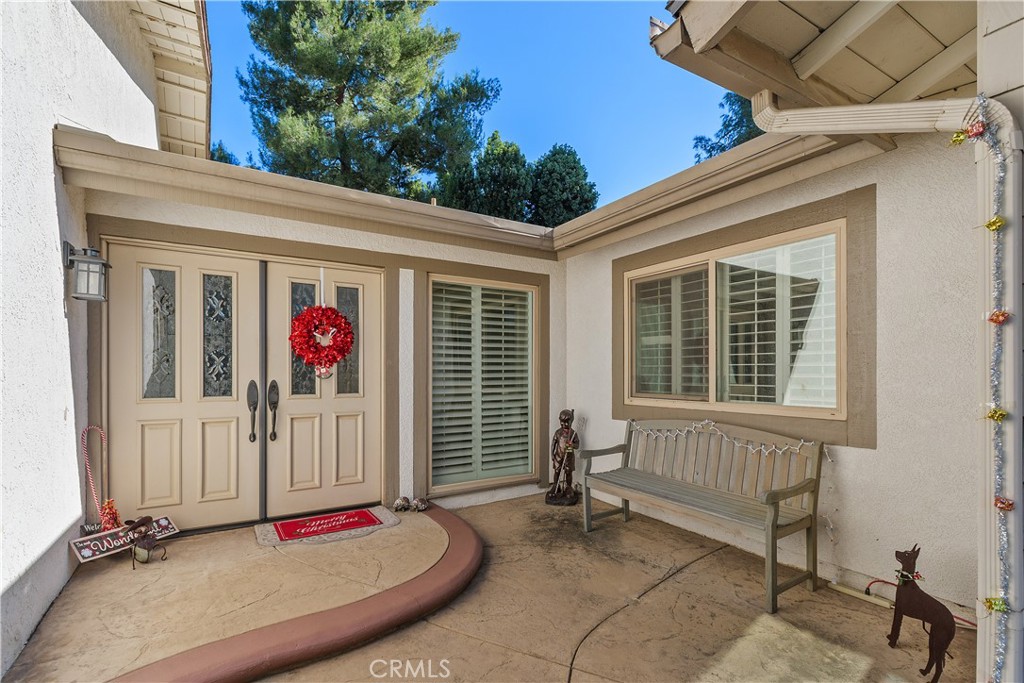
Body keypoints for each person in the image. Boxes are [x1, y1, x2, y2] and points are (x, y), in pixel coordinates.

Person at [548, 409, 580, 504]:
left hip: (569, 455)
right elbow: (553, 444)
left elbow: (577, 445)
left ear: (571, 421)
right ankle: (556, 486)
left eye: (567, 422)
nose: (564, 424)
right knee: (557, 471)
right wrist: (552, 455)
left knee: (568, 472)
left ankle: (568, 487)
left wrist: (572, 445)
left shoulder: (573, 433)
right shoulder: (558, 432)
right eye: (562, 422)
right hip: (558, 455)